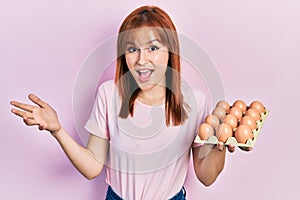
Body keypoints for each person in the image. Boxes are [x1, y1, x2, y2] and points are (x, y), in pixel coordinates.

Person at [10, 5, 248, 200]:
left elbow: (205, 176)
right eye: (132, 49)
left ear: (170, 51)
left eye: (153, 48)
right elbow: (93, 166)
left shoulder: (195, 100)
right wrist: (57, 130)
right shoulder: (109, 94)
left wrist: (220, 147)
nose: (141, 60)